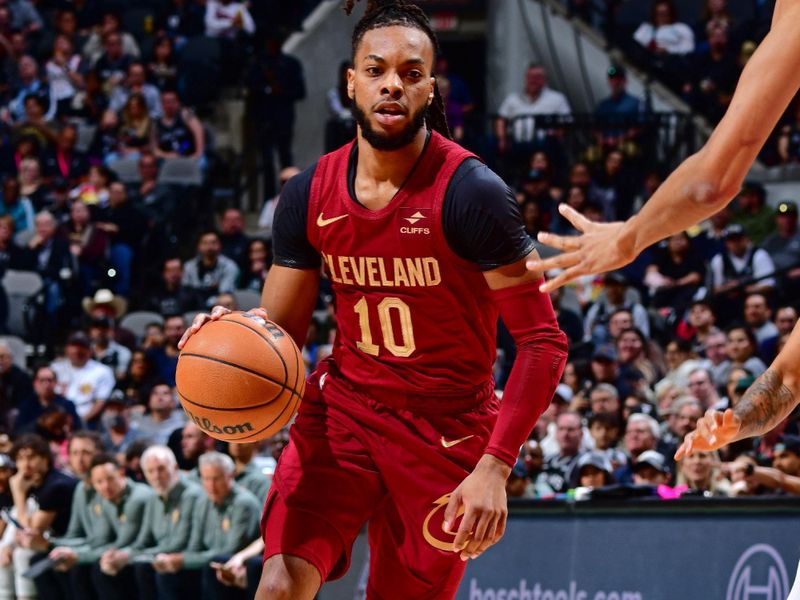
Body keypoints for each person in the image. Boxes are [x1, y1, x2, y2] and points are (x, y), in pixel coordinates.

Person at [179, 2, 568, 598]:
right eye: (377, 68)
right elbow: (278, 331)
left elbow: (543, 342)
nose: (393, 83)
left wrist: (495, 465)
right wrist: (228, 337)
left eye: (412, 73)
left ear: (431, 88)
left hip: (448, 429)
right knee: (279, 582)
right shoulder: (308, 192)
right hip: (346, 410)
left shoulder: (473, 193)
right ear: (351, 82)